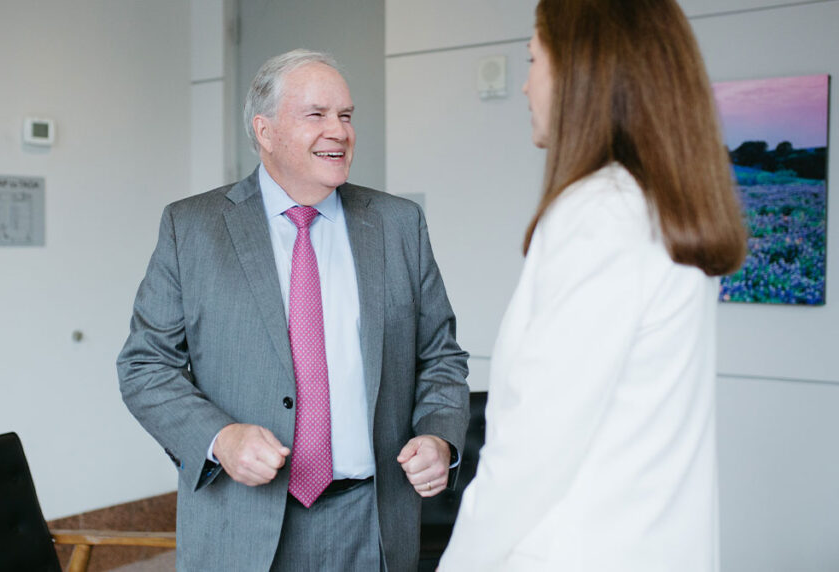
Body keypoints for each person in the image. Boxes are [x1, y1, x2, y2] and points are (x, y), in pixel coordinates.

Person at [118, 49, 470, 571]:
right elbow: (145, 366)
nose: (339, 131)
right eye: (317, 115)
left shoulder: (399, 225)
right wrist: (220, 438)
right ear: (265, 131)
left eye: (346, 116)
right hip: (240, 523)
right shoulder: (191, 228)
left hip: (370, 521)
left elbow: (440, 356)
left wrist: (439, 435)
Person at [438, 0, 747, 570]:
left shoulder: (599, 214)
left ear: (583, 71)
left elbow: (533, 448)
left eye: (534, 60)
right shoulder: (660, 209)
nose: (527, 86)